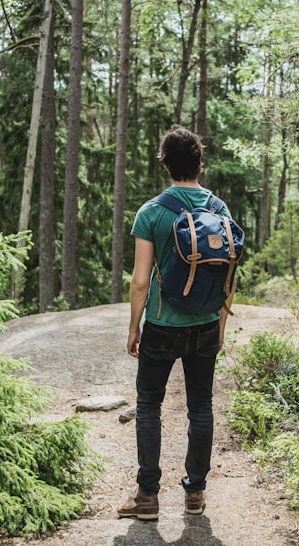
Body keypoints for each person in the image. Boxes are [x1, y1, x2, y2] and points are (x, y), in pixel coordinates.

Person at [118, 125, 235, 521]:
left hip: (163, 324)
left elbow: (139, 281)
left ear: (165, 164)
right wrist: (220, 326)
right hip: (204, 324)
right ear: (199, 164)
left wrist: (135, 326)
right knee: (201, 407)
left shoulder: (152, 211)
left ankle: (147, 497)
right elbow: (228, 276)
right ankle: (195, 495)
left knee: (149, 404)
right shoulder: (220, 210)